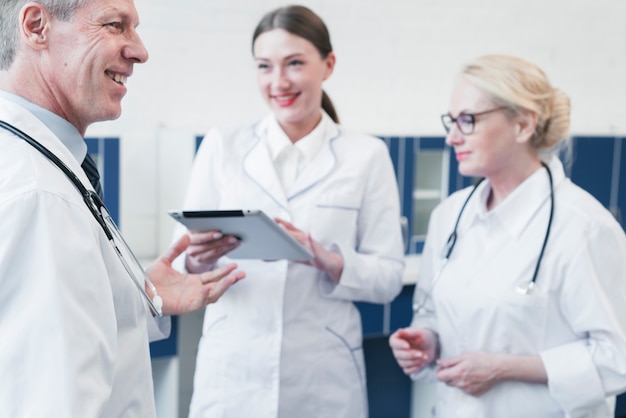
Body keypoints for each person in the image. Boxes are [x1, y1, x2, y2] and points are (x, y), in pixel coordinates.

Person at [0, 0, 245, 416]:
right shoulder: (41, 195)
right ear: (37, 25)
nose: (139, 50)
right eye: (116, 25)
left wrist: (133, 295)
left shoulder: (41, 163)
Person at [177, 5, 405, 417]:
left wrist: (324, 258)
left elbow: (388, 278)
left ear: (328, 65)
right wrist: (197, 258)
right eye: (265, 66)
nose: (278, 82)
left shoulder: (367, 156)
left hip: (322, 375)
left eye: (295, 63)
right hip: (233, 372)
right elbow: (185, 265)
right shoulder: (222, 146)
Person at [389, 53, 626, 417]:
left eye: (468, 120)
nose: (452, 137)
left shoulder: (583, 228)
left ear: (523, 125)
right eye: (451, 121)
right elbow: (432, 315)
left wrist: (505, 368)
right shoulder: (450, 216)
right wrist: (427, 342)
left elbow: (616, 357)